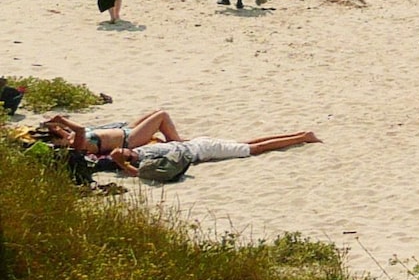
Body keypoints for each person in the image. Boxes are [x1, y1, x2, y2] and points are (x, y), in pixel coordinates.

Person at [108, 132, 321, 178]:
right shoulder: (144, 148)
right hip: (199, 144)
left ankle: (301, 137)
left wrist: (122, 165)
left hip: (203, 150)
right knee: (247, 143)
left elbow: (140, 174)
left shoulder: (144, 159)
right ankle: (300, 135)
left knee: (253, 149)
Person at [41, 108, 182, 155]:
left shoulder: (70, 138)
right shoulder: (77, 145)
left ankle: (174, 139)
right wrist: (61, 119)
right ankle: (175, 141)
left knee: (156, 111)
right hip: (129, 140)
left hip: (125, 131)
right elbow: (80, 129)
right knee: (162, 115)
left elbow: (65, 132)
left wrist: (54, 126)